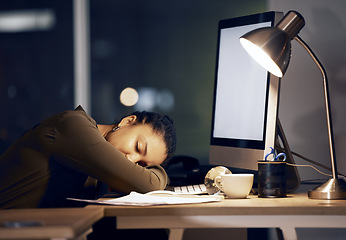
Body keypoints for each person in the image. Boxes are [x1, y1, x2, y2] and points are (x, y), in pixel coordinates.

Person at [0, 105, 176, 209]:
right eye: (138, 147)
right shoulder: (75, 127)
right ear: (128, 121)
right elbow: (148, 184)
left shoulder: (97, 165)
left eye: (141, 164)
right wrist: (157, 174)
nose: (131, 160)